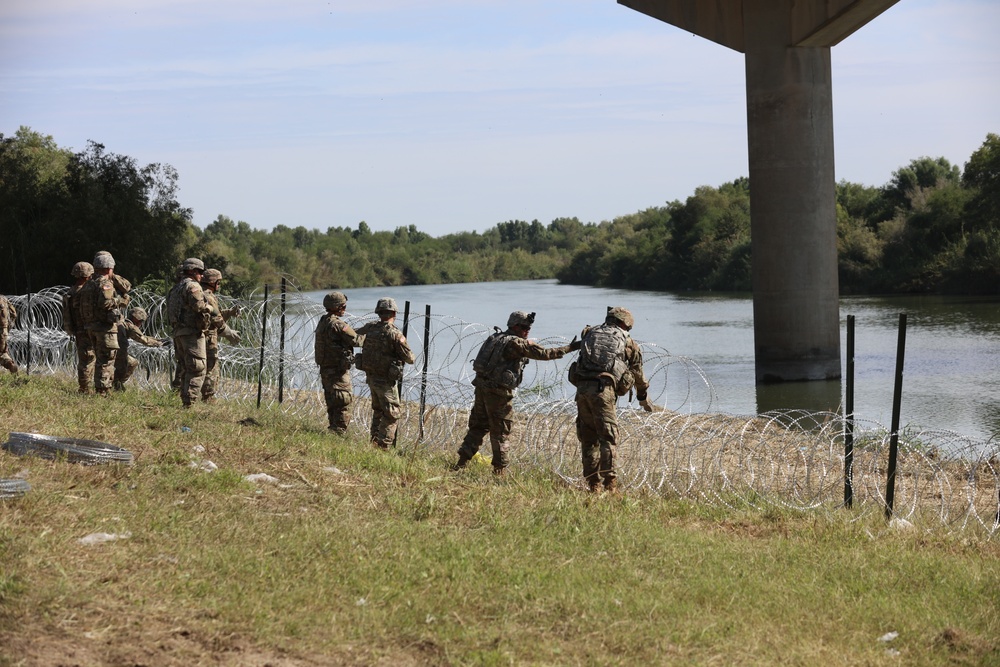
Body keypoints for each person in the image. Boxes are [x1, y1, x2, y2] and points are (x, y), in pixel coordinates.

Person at [452, 311, 580, 475]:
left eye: (529, 327)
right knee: (501, 432)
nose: (527, 330)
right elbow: (545, 354)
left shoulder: (496, 338)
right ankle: (499, 471)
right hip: (499, 393)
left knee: (478, 426)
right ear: (514, 326)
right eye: (524, 327)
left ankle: (461, 463)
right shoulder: (516, 343)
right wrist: (570, 347)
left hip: (482, 388)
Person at [570, 306, 651, 493]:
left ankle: (593, 484)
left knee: (588, 439)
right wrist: (643, 396)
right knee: (608, 438)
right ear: (625, 322)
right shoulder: (627, 341)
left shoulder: (590, 333)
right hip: (603, 391)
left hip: (582, 390)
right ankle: (610, 485)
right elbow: (638, 373)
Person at [355, 297, 415, 449]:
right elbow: (410, 358)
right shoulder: (395, 334)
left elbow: (354, 336)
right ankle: (383, 446)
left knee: (378, 411)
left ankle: (374, 441)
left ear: (378, 312)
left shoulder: (370, 328)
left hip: (371, 377)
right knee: (391, 413)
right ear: (394, 313)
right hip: (386, 381)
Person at [166, 258, 211, 407]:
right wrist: (210, 308)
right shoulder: (192, 286)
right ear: (192, 271)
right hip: (191, 333)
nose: (201, 276)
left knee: (186, 367)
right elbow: (199, 306)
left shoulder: (175, 288)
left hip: (178, 333)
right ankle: (189, 403)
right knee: (197, 368)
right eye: (199, 272)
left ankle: (185, 401)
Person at [82, 251, 128, 395]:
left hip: (91, 326)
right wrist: (121, 301)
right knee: (106, 359)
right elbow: (106, 302)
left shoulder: (89, 284)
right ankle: (103, 390)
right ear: (109, 268)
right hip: (104, 328)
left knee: (100, 358)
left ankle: (100, 388)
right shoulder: (105, 283)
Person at [314, 291, 359, 434]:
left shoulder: (323, 321)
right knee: (343, 400)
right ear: (338, 307)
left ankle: (333, 428)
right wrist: (370, 333)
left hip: (326, 368)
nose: (345, 309)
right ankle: (338, 431)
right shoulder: (338, 324)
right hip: (338, 369)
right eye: (343, 306)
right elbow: (356, 340)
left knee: (332, 399)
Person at [200, 269, 241, 402]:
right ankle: (208, 397)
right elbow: (215, 320)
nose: (219, 285)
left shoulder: (199, 293)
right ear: (213, 282)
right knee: (211, 368)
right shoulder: (209, 296)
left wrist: (229, 312)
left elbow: (212, 315)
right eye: (218, 282)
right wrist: (230, 334)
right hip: (208, 337)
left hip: (199, 336)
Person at [112, 307, 165, 391]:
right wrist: (160, 343)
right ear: (136, 319)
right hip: (116, 350)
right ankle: (116, 383)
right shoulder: (130, 326)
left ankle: (115, 383)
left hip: (112, 348)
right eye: (141, 321)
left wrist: (159, 340)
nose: (141, 324)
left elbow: (143, 337)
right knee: (131, 363)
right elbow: (144, 340)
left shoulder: (123, 323)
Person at [61, 261, 95, 391]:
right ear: (88, 276)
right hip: (87, 328)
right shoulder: (84, 293)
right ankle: (85, 388)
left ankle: (85, 386)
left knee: (85, 359)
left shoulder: (71, 291)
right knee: (89, 359)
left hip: (79, 330)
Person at [0, 294, 18, 375]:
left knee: (2, 353)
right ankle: (10, 364)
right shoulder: (3, 298)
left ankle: (10, 364)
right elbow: (14, 314)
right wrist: (7, 327)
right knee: (2, 353)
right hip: (4, 331)